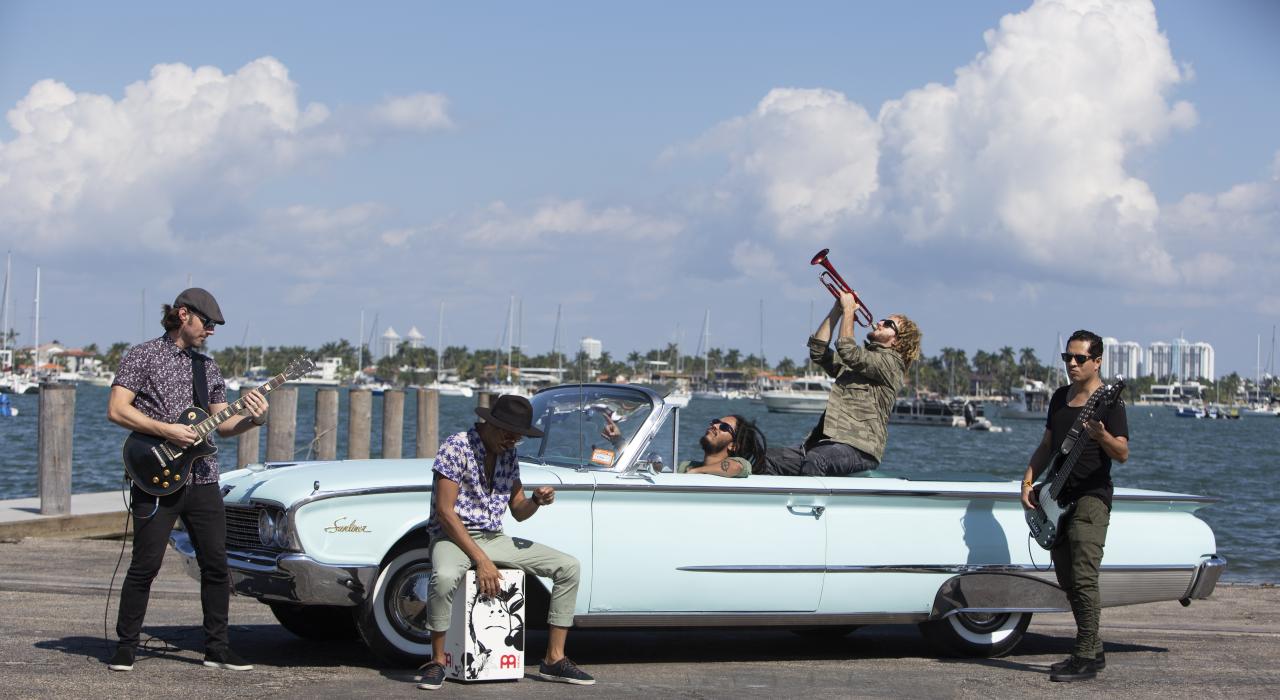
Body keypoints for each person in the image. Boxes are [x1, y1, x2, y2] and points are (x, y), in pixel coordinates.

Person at [105, 288, 269, 672]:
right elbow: (116, 409)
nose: (211, 331)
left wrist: (254, 418)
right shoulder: (142, 355)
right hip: (155, 477)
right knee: (145, 565)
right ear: (184, 314)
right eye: (207, 323)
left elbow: (222, 424)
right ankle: (126, 646)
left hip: (203, 478)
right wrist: (168, 430)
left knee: (216, 565)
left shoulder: (207, 368)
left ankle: (217, 648)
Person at [417, 394, 594, 690]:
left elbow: (519, 510)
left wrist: (537, 500)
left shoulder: (509, 452)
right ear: (489, 423)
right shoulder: (456, 446)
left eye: (518, 437)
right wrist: (482, 560)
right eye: (508, 433)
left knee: (569, 567)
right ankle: (437, 661)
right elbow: (445, 513)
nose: (512, 440)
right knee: (446, 576)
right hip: (452, 536)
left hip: (493, 537)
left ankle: (554, 658)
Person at [1021, 330, 1129, 683]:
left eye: (1079, 358)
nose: (1071, 363)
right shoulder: (1058, 398)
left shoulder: (1109, 403)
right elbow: (1047, 445)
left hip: (1092, 497)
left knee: (1084, 574)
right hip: (1057, 498)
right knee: (1067, 577)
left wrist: (1102, 437)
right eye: (1068, 357)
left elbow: (1123, 453)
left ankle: (1084, 655)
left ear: (1097, 361)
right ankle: (1093, 648)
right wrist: (1028, 480)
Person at [762, 292, 921, 476]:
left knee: (817, 460)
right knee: (765, 459)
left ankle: (813, 505)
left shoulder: (892, 364)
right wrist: (836, 310)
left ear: (897, 341)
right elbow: (818, 351)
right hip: (824, 443)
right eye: (883, 320)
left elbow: (848, 350)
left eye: (888, 324)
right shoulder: (862, 361)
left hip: (859, 448)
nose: (879, 322)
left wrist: (849, 310)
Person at [675, 415, 767, 478]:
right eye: (716, 421)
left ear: (733, 446)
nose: (714, 425)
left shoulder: (740, 464)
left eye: (724, 427)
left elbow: (735, 467)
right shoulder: (686, 465)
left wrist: (696, 471)